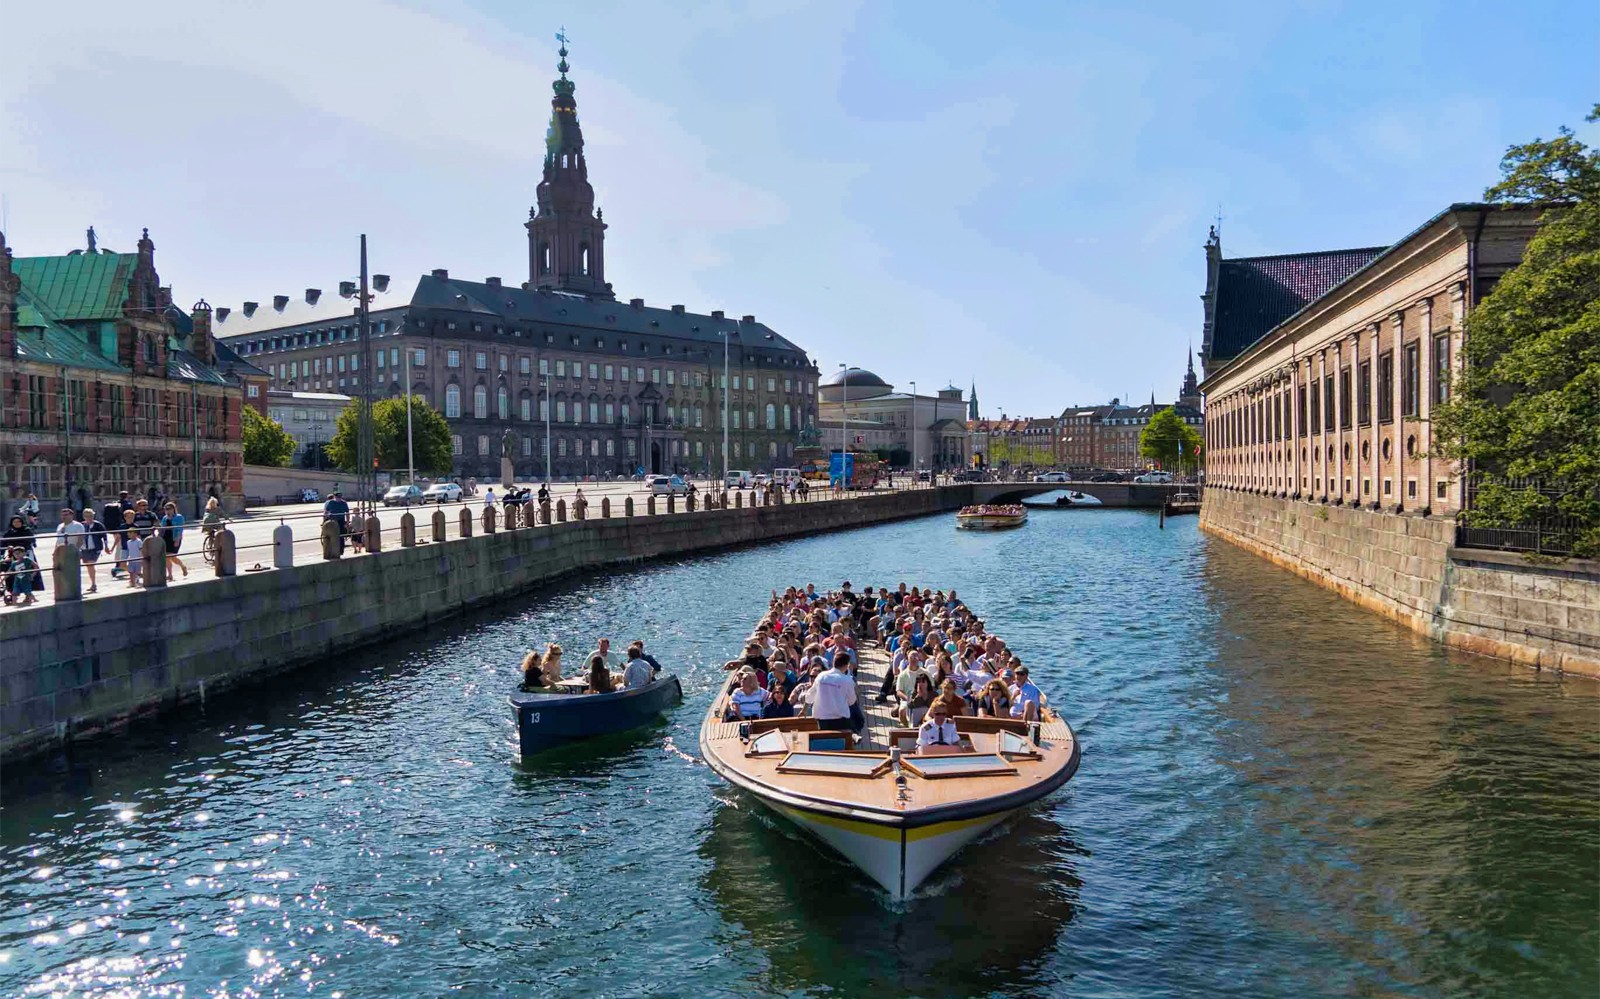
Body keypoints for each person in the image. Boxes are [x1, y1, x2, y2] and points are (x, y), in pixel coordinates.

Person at [809, 655, 857, 732]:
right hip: (841, 720)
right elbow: (852, 701)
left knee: (824, 742)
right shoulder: (847, 680)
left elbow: (810, 695)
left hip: (822, 719)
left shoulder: (821, 676)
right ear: (846, 665)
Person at [79, 507, 106, 593]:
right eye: (87, 516)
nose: (89, 518)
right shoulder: (82, 525)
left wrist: (107, 546)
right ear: (84, 516)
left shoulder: (98, 525)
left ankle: (93, 584)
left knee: (90, 564)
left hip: (95, 548)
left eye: (90, 515)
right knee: (88, 566)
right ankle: (92, 583)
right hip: (85, 548)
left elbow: (104, 536)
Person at [161, 502, 189, 581]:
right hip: (165, 538)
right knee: (166, 557)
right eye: (166, 509)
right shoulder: (165, 518)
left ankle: (182, 566)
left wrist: (177, 539)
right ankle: (170, 575)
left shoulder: (179, 517)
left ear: (173, 509)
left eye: (169, 509)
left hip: (174, 538)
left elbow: (180, 529)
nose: (168, 511)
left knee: (171, 556)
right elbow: (162, 528)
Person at [103, 492, 128, 578]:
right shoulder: (126, 504)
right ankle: (118, 568)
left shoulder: (116, 504)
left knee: (119, 547)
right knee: (121, 547)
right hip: (124, 529)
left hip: (114, 528)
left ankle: (119, 567)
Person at [323, 490, 350, 554]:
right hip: (332, 520)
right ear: (334, 497)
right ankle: (333, 549)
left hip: (340, 520)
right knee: (333, 535)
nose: (339, 499)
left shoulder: (343, 503)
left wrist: (347, 522)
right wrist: (324, 520)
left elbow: (347, 513)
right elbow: (326, 512)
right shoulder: (331, 502)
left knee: (341, 536)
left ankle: (340, 550)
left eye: (340, 497)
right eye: (338, 497)